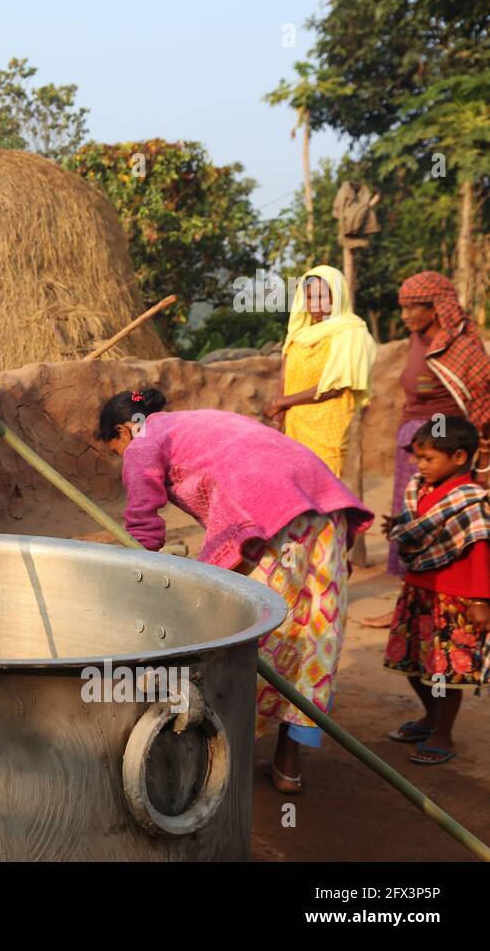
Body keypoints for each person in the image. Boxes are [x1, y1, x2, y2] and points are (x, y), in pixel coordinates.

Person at [98, 389, 372, 793]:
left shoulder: (143, 440)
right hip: (321, 506)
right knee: (312, 630)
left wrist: (135, 574)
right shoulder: (197, 419)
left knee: (252, 633)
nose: (122, 455)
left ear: (124, 429)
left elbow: (142, 524)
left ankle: (224, 757)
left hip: (269, 514)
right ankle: (288, 766)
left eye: (115, 448)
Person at [365, 273, 490, 622]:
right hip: (417, 439)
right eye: (402, 308)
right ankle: (408, 606)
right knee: (411, 517)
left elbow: (480, 394)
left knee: (435, 521)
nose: (405, 316)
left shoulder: (460, 343)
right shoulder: (418, 338)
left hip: (444, 443)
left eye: (412, 308)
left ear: (436, 308)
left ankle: (444, 607)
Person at [382, 416, 490, 765]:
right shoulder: (419, 491)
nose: (419, 465)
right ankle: (430, 716)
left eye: (428, 458)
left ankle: (443, 732)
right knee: (414, 664)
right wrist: (399, 526)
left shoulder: (472, 501)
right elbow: (416, 531)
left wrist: (480, 600)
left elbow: (479, 550)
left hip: (454, 599)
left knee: (445, 671)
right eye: (418, 457)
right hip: (418, 592)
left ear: (459, 457)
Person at [264, 265, 377, 477]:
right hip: (294, 426)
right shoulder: (298, 335)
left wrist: (282, 402)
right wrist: (278, 419)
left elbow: (333, 388)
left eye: (322, 296)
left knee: (324, 487)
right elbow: (285, 379)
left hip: (328, 427)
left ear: (337, 296)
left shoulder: (350, 333)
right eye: (309, 297)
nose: (315, 304)